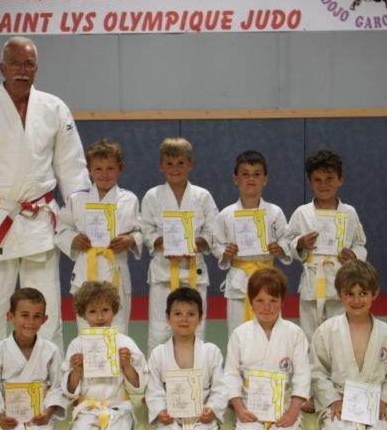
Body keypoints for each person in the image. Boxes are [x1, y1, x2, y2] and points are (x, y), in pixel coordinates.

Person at [0, 36, 90, 408]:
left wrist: (82, 217)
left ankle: (55, 382)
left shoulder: (54, 108)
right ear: (2, 67)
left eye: (29, 64)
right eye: (15, 63)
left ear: (36, 69)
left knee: (47, 309)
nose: (22, 71)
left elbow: (72, 168)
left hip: (39, 220)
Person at [311, 260, 387, 430]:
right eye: (350, 294)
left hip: (374, 402)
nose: (356, 300)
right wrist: (332, 400)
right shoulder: (327, 330)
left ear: (375, 293)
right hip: (339, 400)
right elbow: (316, 371)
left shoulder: (386, 333)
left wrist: (385, 401)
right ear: (340, 294)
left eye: (363, 293)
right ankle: (332, 426)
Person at [140, 137, 218, 355]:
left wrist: (195, 243)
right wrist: (162, 242)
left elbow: (213, 230)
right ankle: (157, 374)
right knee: (159, 330)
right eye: (169, 163)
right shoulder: (152, 196)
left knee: (195, 328)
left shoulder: (202, 196)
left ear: (190, 164)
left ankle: (196, 373)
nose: (175, 169)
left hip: (193, 271)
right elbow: (145, 229)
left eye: (181, 163)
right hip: (163, 273)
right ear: (161, 166)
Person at [56, 138, 142, 334]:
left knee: (118, 331)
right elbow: (61, 228)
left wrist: (130, 240)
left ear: (121, 168)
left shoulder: (129, 199)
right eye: (98, 169)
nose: (104, 174)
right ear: (89, 170)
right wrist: (73, 239)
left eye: (110, 168)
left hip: (115, 271)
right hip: (86, 271)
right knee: (86, 331)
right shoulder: (76, 199)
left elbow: (139, 231)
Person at [224, 267, 310, 430]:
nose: (266, 307)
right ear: (251, 302)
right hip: (250, 405)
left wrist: (292, 413)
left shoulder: (294, 333)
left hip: (284, 406)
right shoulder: (240, 334)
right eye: (260, 301)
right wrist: (240, 409)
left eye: (273, 301)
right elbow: (231, 375)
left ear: (282, 301)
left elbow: (302, 376)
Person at [0, 288, 67, 430]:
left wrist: (48, 412)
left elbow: (58, 385)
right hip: (11, 416)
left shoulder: (51, 350)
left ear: (44, 319)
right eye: (24, 315)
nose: (30, 322)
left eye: (37, 316)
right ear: (10, 316)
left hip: (39, 415)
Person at [287, 149, 367, 342]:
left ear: (340, 179)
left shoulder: (349, 213)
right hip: (312, 283)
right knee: (310, 334)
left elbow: (360, 243)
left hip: (341, 279)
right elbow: (288, 241)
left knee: (340, 333)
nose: (324, 184)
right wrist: (300, 244)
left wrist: (354, 255)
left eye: (329, 178)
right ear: (310, 182)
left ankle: (339, 360)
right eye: (317, 180)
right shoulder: (302, 213)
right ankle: (312, 362)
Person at [62, 281, 147, 430]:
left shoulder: (125, 343)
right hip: (87, 408)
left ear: (114, 311)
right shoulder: (77, 345)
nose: (99, 317)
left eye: (105, 310)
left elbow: (139, 387)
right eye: (92, 311)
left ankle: (125, 426)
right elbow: (69, 390)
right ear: (83, 314)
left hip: (117, 406)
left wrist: (127, 365)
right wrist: (76, 370)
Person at [212, 150, 292, 336]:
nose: (251, 179)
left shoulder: (275, 212)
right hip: (239, 280)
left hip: (267, 276)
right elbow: (217, 243)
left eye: (257, 174)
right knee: (237, 332)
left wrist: (280, 249)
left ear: (265, 179)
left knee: (272, 331)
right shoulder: (226, 214)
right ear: (235, 179)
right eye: (245, 174)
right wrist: (226, 253)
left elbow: (286, 238)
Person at [146, 287, 227, 430]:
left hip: (202, 413)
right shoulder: (158, 353)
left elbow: (220, 388)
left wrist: (212, 409)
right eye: (177, 313)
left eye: (191, 314)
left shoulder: (211, 351)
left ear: (200, 318)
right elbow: (154, 390)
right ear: (168, 317)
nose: (184, 319)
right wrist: (160, 411)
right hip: (171, 414)